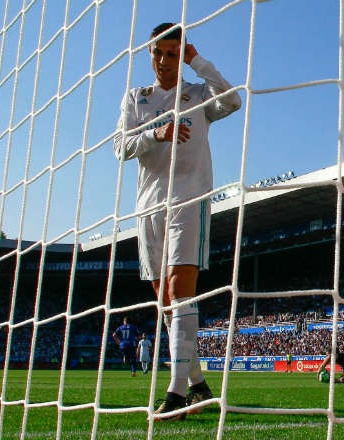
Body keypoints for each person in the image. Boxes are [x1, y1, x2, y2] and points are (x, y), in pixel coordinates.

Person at [113, 22, 241, 421]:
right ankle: (199, 382)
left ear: (181, 54)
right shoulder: (138, 98)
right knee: (165, 302)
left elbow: (234, 102)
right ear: (150, 54)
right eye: (159, 53)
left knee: (179, 290)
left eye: (173, 53)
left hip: (190, 198)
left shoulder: (200, 94)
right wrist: (158, 133)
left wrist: (198, 62)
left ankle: (176, 393)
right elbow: (120, 146)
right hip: (148, 206)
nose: (165, 61)